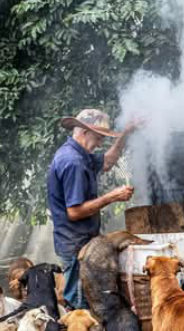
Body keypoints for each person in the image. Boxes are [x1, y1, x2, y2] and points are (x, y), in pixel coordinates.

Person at [47, 109, 138, 310]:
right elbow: (75, 212)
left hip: (83, 240)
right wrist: (112, 197)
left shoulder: (80, 153)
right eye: (98, 137)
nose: (99, 143)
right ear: (84, 132)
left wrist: (126, 133)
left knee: (91, 299)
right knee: (81, 304)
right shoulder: (73, 163)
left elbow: (107, 161)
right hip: (75, 244)